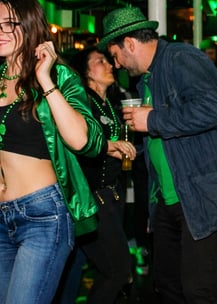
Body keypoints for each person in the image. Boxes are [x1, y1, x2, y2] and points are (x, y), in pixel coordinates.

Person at [0, 0, 105, 303]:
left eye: (8, 24)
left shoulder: (59, 75)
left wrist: (45, 79)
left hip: (42, 216)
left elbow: (83, 141)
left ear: (30, 26)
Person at [98, 6, 217, 304]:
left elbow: (215, 109)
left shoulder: (180, 59)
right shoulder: (149, 79)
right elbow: (169, 144)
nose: (117, 64)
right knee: (167, 284)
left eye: (115, 54)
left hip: (205, 195)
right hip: (170, 200)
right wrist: (153, 202)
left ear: (130, 44)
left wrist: (153, 120)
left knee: (199, 288)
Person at [65, 47, 137, 304]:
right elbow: (81, 144)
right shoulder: (82, 102)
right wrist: (111, 146)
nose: (109, 65)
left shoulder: (112, 102)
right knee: (117, 269)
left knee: (77, 265)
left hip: (112, 194)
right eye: (100, 61)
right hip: (92, 198)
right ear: (86, 74)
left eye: (108, 60)